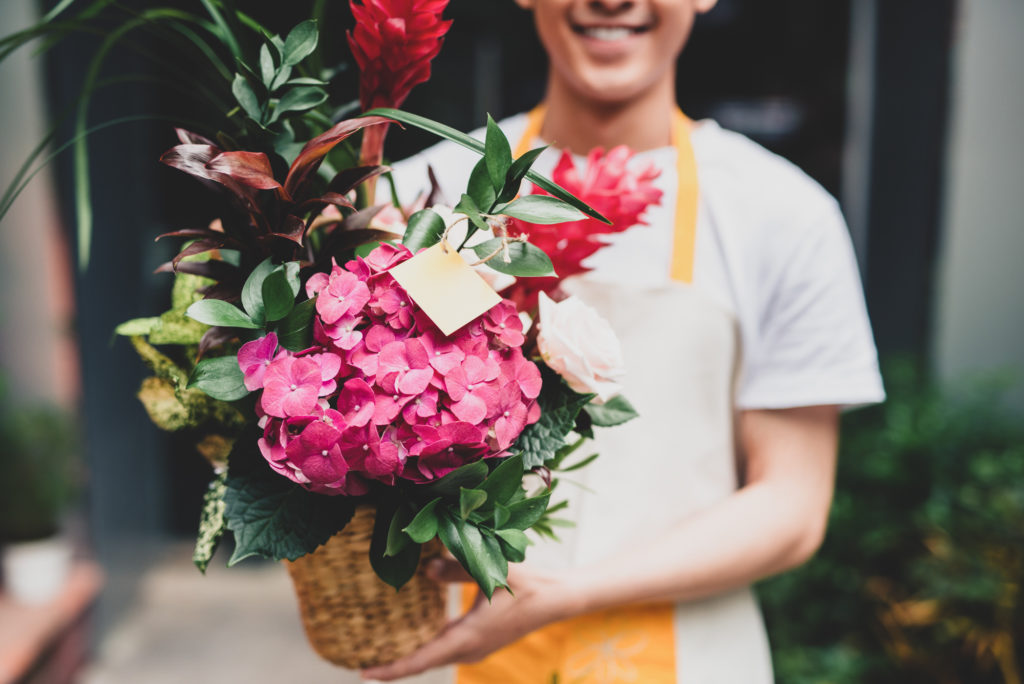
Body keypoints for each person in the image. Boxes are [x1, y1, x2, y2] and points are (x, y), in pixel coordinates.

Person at [364, 0, 885, 682]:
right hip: (460, 652)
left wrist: (565, 594)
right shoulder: (417, 201)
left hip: (691, 657)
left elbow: (791, 507)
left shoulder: (783, 215)